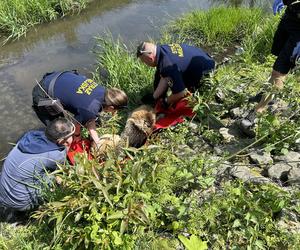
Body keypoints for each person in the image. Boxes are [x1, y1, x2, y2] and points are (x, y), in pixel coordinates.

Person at [240, 0, 300, 136]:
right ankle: (268, 95)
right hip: (290, 15)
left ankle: (258, 111)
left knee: (279, 71)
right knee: (278, 54)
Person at [32, 71, 128, 147]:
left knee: (79, 115)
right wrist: (77, 136)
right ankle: (53, 148)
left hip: (58, 77)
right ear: (111, 107)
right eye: (115, 110)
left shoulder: (103, 91)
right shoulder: (90, 109)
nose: (114, 113)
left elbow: (89, 117)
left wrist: (96, 140)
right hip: (43, 92)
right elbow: (77, 124)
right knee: (58, 129)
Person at [0, 117, 74, 212]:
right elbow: (63, 168)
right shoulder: (56, 155)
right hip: (22, 202)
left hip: (3, 194)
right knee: (59, 177)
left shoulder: (30, 136)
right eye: (71, 135)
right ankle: (35, 207)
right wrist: (66, 148)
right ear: (62, 141)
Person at [136, 42, 215, 108]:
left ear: (151, 59)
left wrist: (166, 102)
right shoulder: (162, 49)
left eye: (144, 62)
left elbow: (181, 93)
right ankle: (156, 97)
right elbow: (164, 76)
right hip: (203, 57)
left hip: (206, 71)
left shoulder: (167, 66)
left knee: (180, 94)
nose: (145, 64)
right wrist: (154, 96)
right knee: (165, 75)